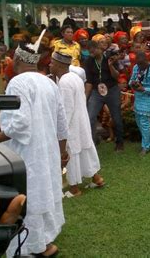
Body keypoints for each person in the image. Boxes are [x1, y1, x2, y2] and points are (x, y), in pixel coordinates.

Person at [0, 33, 69, 257]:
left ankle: (33, 248)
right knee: (42, 193)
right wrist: (62, 152)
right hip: (47, 151)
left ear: (18, 62)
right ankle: (45, 243)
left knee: (26, 196)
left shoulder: (18, 82)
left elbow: (19, 125)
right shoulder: (49, 83)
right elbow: (61, 123)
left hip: (27, 154)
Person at [50, 52, 104, 197]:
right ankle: (97, 178)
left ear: (59, 65)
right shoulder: (74, 77)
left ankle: (74, 189)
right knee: (86, 149)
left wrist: (61, 131)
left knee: (71, 153)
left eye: (52, 63)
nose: (50, 65)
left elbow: (66, 110)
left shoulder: (65, 82)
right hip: (82, 121)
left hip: (72, 124)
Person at [84, 40, 124, 152]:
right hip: (97, 92)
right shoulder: (89, 62)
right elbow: (89, 82)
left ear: (98, 48)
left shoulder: (110, 57)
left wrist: (111, 66)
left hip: (112, 90)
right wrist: (85, 97)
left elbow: (116, 77)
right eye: (89, 52)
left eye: (93, 52)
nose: (91, 54)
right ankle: (93, 142)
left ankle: (119, 142)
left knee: (116, 118)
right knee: (91, 117)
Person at [129, 51, 150, 155]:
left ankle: (145, 147)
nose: (140, 66)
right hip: (138, 97)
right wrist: (133, 84)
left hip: (149, 98)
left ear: (147, 61)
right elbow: (131, 81)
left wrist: (144, 89)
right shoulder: (136, 67)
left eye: (142, 63)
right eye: (138, 63)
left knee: (144, 123)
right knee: (139, 122)